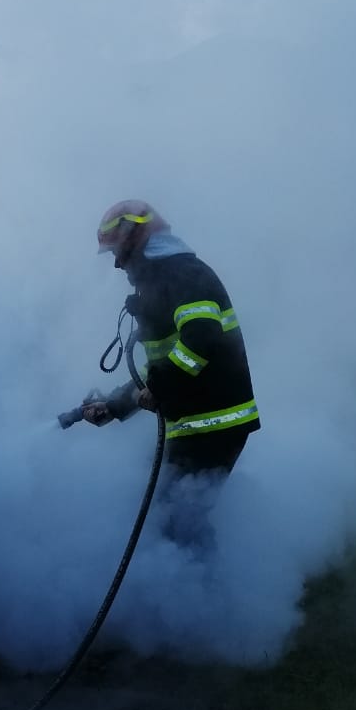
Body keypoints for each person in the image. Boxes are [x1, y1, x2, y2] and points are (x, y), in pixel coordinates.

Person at [83, 202, 259, 545]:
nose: (117, 264)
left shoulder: (182, 274)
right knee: (174, 518)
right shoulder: (159, 283)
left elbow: (202, 338)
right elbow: (159, 369)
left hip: (215, 423)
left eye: (117, 252)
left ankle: (204, 581)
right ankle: (190, 577)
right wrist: (115, 406)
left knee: (180, 522)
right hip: (196, 423)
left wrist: (160, 387)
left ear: (136, 240)